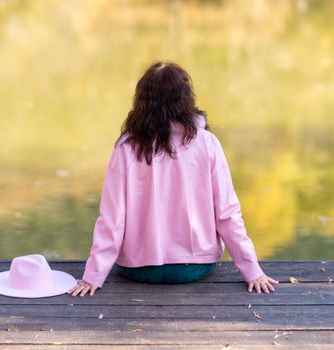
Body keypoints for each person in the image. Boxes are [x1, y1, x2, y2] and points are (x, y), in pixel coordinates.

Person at [67, 61, 278, 297]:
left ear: (141, 100)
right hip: (195, 267)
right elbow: (227, 214)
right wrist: (252, 270)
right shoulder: (207, 143)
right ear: (185, 99)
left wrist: (93, 276)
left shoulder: (126, 147)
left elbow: (111, 218)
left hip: (138, 269)